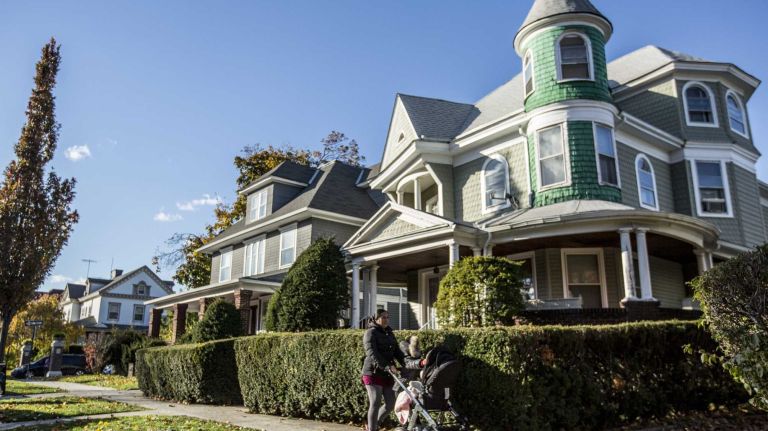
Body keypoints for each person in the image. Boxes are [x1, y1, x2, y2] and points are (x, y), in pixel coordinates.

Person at [361, 309, 405, 431]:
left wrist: (407, 363)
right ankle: (372, 428)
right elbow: (372, 353)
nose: (386, 319)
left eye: (387, 317)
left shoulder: (389, 333)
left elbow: (397, 352)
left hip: (387, 373)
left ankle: (374, 424)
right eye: (383, 317)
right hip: (373, 372)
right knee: (375, 402)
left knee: (390, 404)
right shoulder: (370, 333)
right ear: (376, 319)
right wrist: (387, 366)